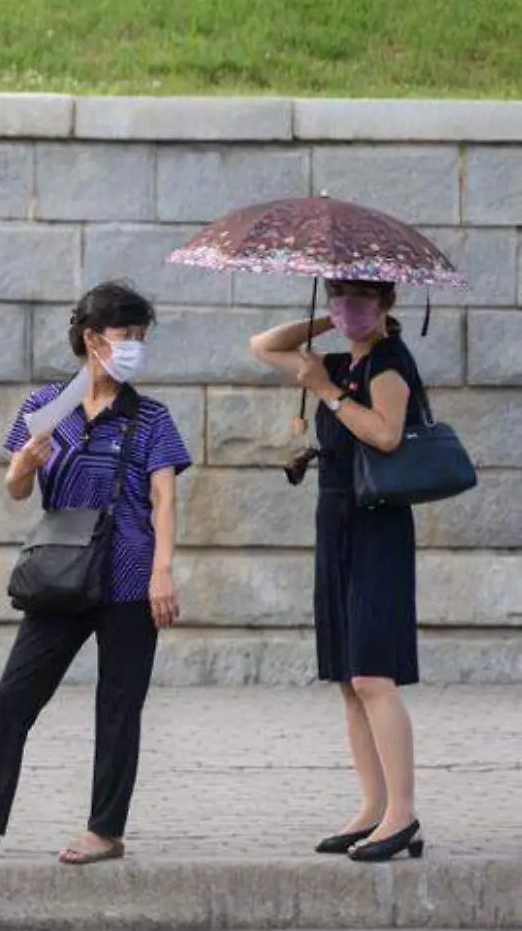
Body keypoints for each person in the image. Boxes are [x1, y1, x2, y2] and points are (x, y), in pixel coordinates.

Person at [0, 281, 190, 866]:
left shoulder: (151, 416)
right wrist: (22, 465)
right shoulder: (47, 407)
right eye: (126, 337)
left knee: (119, 705)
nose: (134, 348)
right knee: (14, 699)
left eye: (140, 338)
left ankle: (105, 831)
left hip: (130, 576)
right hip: (62, 572)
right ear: (91, 339)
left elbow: (165, 500)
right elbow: (17, 489)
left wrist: (162, 571)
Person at [250, 280, 425, 862]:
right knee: (350, 681)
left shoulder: (387, 363)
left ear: (386, 305)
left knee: (374, 675)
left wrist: (326, 391)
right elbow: (264, 345)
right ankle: (371, 810)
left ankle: (402, 814)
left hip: (377, 525)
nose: (348, 306)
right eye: (338, 294)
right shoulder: (339, 357)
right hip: (338, 521)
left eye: (360, 298)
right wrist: (328, 324)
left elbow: (387, 434)